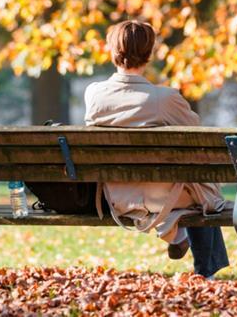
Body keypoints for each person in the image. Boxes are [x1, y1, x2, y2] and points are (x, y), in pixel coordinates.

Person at [84, 20, 229, 278]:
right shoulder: (165, 99)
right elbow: (197, 135)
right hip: (160, 195)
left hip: (116, 194)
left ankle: (176, 234)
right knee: (205, 194)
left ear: (112, 51)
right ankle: (197, 261)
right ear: (149, 54)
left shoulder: (94, 95)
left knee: (191, 186)